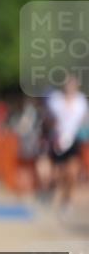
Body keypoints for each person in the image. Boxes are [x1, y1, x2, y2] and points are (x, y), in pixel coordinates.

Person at [46, 74, 87, 211]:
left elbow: (83, 120)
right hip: (58, 140)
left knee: (72, 172)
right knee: (59, 173)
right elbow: (50, 119)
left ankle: (68, 200)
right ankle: (59, 194)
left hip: (73, 139)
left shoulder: (81, 101)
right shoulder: (56, 100)